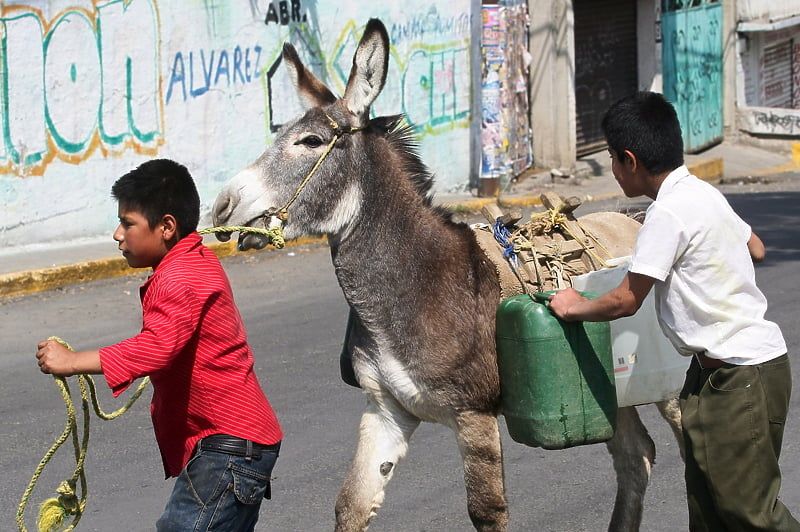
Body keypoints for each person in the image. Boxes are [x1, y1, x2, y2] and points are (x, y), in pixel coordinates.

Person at [548, 91, 797, 531]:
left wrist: (575, 307)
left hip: (739, 377)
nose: (611, 168)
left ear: (630, 160)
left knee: (750, 515)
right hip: (720, 375)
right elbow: (755, 247)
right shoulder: (703, 193)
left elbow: (627, 299)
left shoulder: (668, 213)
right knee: (707, 513)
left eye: (610, 157)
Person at [35, 159, 283, 531]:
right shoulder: (193, 261)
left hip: (228, 448)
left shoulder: (179, 276)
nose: (118, 234)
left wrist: (71, 361)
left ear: (167, 226)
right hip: (237, 446)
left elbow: (157, 347)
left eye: (128, 223)